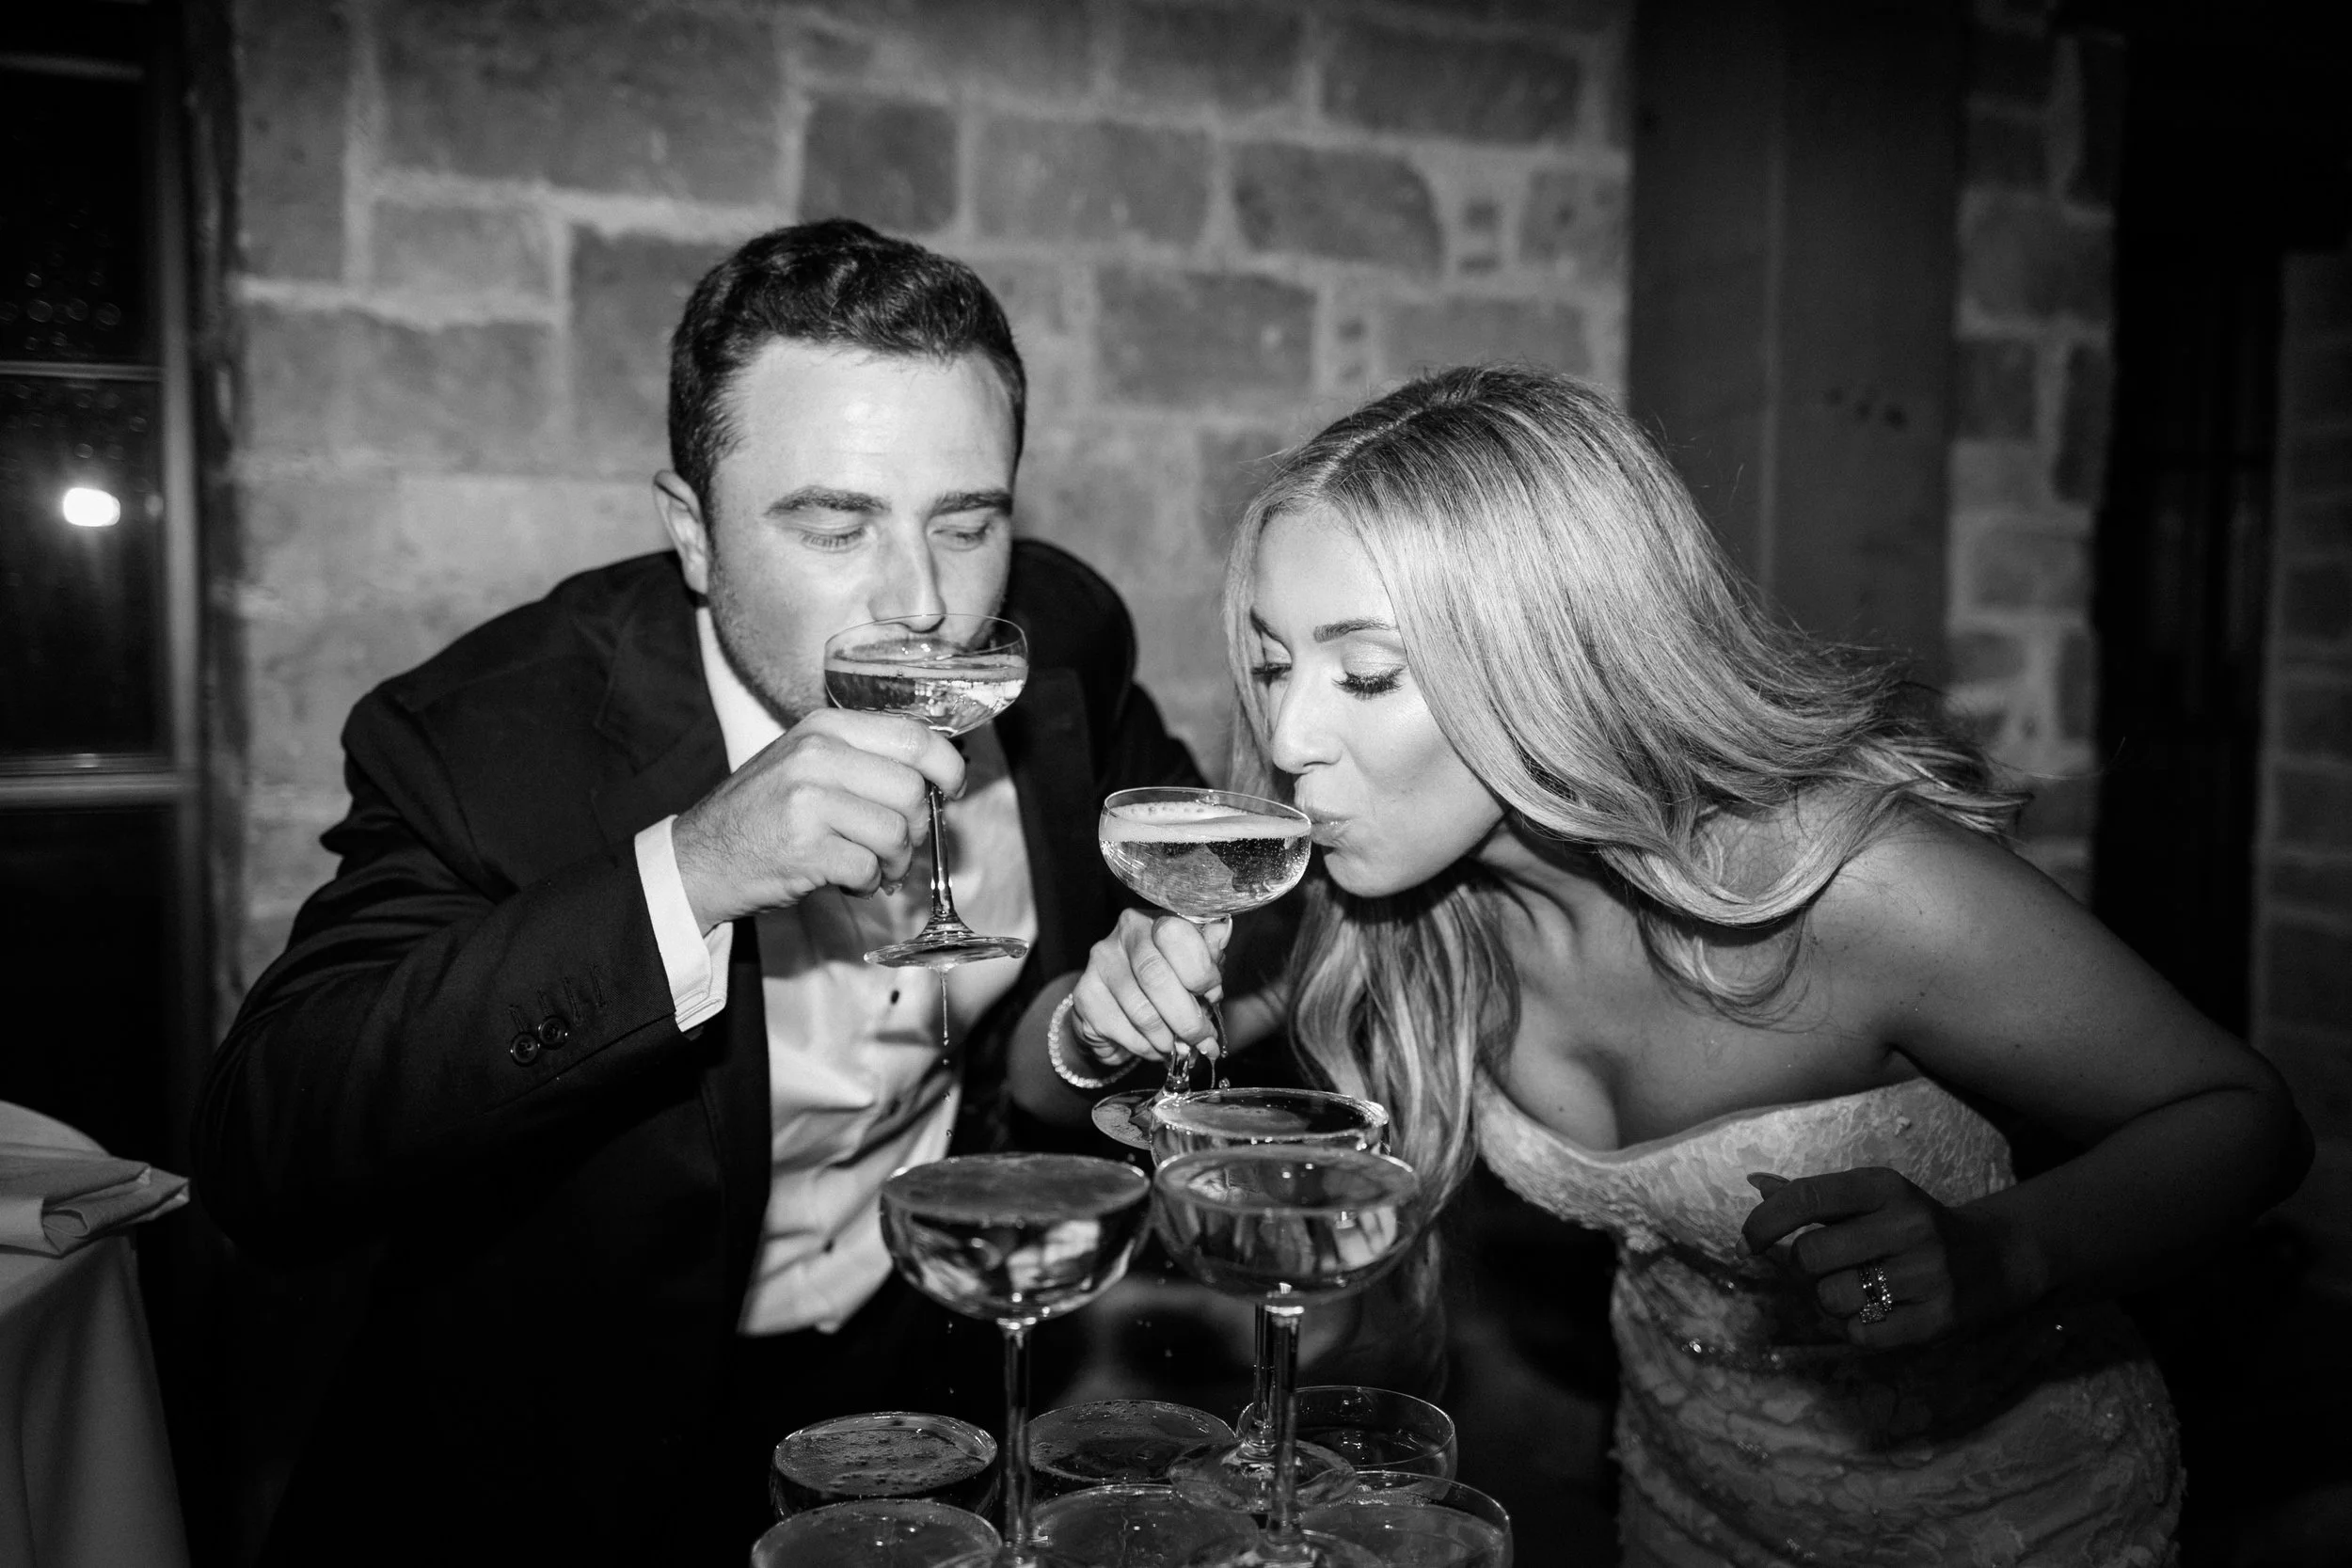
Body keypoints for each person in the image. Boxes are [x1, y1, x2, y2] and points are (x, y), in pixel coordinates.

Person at [1061, 365, 2312, 1566]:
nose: (1286, 736)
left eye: (1369, 673)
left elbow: (2245, 1121)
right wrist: (1096, 1016)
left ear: (1555, 655)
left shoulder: (1852, 887)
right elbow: (1048, 1079)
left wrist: (2005, 1253)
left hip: (2006, 1518)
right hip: (1678, 1509)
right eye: (1275, 664)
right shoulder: (1370, 888)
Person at [195, 219, 1200, 1567]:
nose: (923, 605)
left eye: (966, 521)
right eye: (835, 524)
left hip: (928, 1411)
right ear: (695, 534)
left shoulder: (1059, 643)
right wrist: (697, 868)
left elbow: (1171, 899)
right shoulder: (492, 740)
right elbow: (266, 1149)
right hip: (571, 1465)